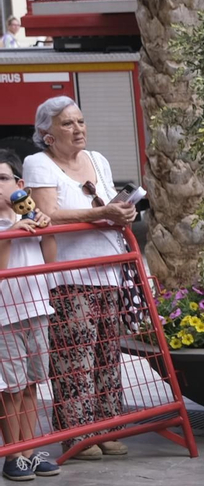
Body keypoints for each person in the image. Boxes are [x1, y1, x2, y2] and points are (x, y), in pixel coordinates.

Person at [24, 98, 137, 461]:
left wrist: (122, 211)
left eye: (81, 121)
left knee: (106, 354)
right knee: (75, 359)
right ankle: (77, 434)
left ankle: (107, 429)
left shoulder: (98, 159)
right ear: (47, 134)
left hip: (108, 269)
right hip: (69, 276)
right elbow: (47, 214)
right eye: (68, 124)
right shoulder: (38, 163)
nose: (78, 129)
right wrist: (101, 212)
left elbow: (105, 204)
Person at [0, 150, 56, 481]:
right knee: (10, 389)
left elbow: (50, 259)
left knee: (33, 383)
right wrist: (12, 230)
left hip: (37, 309)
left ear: (20, 185)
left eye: (3, 179)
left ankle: (29, 449)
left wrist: (46, 228)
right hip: (5, 317)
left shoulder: (30, 216)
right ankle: (12, 455)